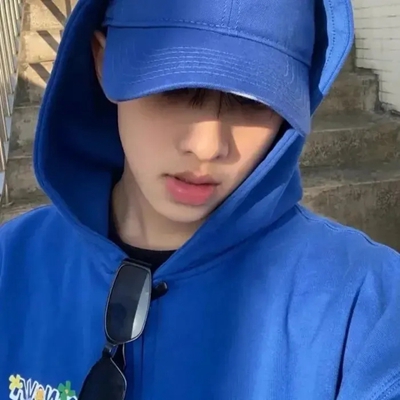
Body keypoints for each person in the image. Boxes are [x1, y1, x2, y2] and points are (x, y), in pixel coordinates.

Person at [1, 0, 400, 397]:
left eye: (252, 101)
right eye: (174, 89)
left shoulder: (366, 309)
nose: (207, 146)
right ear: (103, 62)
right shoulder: (12, 264)